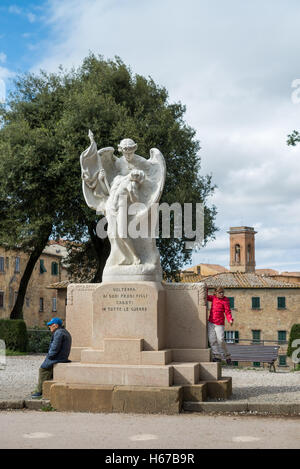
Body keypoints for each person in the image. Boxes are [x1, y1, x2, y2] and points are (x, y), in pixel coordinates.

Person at [31, 317, 72, 399]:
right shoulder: (63, 331)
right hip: (62, 356)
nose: (49, 326)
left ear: (56, 325)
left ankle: (39, 391)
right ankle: (40, 388)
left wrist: (49, 356)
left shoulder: (58, 333)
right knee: (47, 369)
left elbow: (54, 348)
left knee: (43, 369)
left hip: (58, 357)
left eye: (50, 325)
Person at [207, 287, 234, 365]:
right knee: (212, 340)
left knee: (221, 340)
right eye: (220, 292)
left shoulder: (225, 300)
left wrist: (230, 320)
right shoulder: (213, 298)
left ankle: (227, 357)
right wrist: (206, 288)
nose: (222, 294)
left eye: (223, 292)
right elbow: (205, 296)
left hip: (219, 324)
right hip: (211, 322)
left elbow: (228, 311)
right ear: (216, 293)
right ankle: (217, 356)